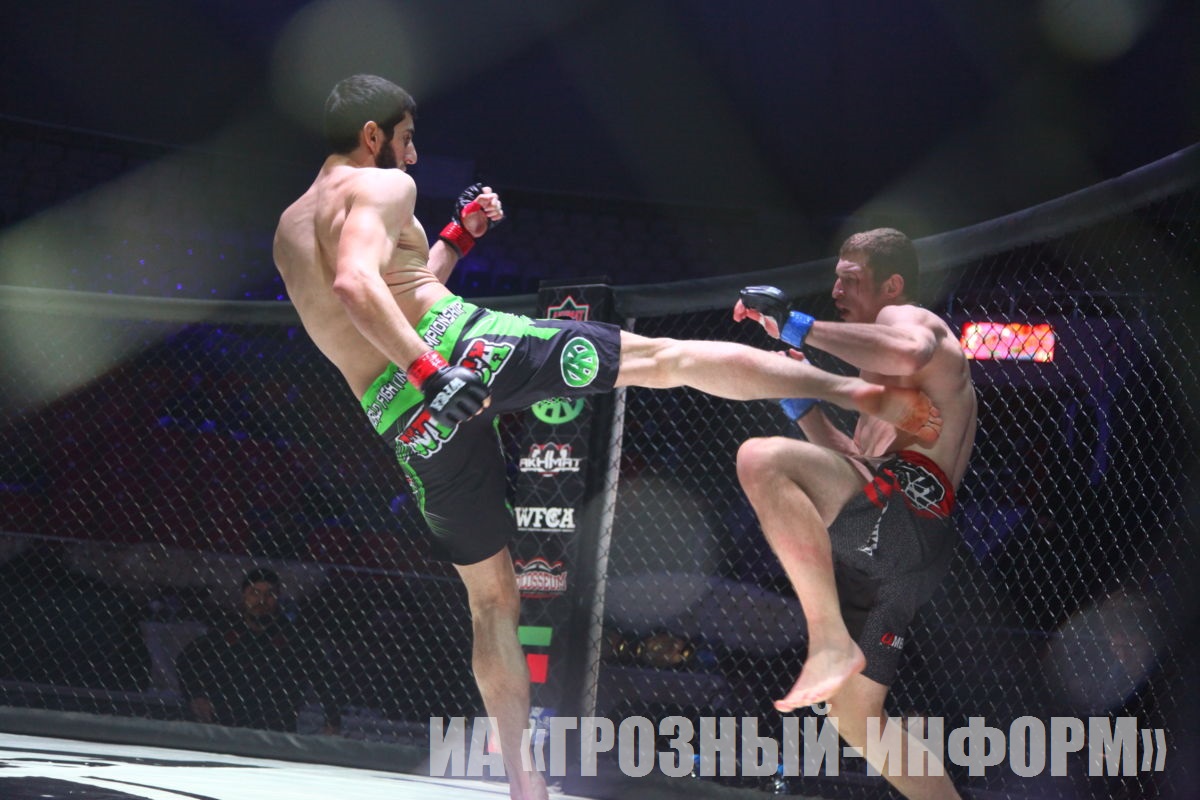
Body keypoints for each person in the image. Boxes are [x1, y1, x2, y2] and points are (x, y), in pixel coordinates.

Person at [272, 75, 941, 799]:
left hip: (403, 415)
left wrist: (457, 241)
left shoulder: (289, 229)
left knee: (491, 600)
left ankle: (524, 786)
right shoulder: (382, 186)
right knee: (662, 359)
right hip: (457, 353)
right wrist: (433, 370)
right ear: (372, 135)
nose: (411, 157)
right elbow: (357, 285)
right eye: (405, 139)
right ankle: (853, 390)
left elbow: (390, 291)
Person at [733, 228, 977, 800]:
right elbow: (853, 463)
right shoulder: (878, 379)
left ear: (891, 285)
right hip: (902, 548)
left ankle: (828, 639)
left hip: (906, 513)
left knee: (760, 458)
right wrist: (800, 401)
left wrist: (797, 325)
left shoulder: (908, 319)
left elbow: (909, 349)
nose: (838, 290)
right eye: (836, 278)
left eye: (852, 279)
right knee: (856, 719)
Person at [176, 567, 339, 734]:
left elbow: (324, 677)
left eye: (269, 594)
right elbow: (187, 660)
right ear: (244, 596)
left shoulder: (294, 638)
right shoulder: (226, 631)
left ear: (278, 597)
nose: (262, 600)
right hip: (226, 723)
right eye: (255, 593)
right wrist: (196, 695)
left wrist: (332, 721)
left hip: (276, 726)